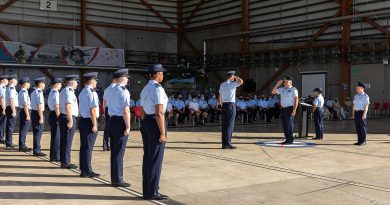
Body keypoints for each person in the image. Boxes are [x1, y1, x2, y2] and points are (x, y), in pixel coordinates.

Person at [140, 64, 169, 200]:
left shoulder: (145, 88)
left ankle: (147, 190)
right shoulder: (158, 89)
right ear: (157, 74)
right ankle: (153, 192)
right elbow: (159, 113)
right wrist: (162, 133)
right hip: (155, 123)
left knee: (148, 158)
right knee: (155, 159)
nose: (163, 75)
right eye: (162, 73)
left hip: (146, 121)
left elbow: (141, 109)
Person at [108, 69, 131, 187]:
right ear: (122, 78)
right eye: (127, 77)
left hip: (112, 120)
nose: (127, 80)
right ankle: (118, 179)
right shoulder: (123, 91)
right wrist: (128, 126)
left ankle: (114, 178)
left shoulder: (109, 90)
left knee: (114, 152)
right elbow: (126, 110)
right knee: (119, 152)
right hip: (120, 122)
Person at [78, 72, 100, 178]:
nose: (96, 82)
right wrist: (95, 124)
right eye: (95, 80)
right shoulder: (91, 92)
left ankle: (83, 169)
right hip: (89, 121)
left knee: (84, 147)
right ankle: (87, 170)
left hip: (83, 120)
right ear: (91, 80)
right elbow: (92, 110)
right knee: (88, 147)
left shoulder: (83, 91)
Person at [58, 75, 79, 169]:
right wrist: (70, 120)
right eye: (76, 81)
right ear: (72, 82)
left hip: (64, 116)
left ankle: (64, 161)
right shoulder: (68, 91)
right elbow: (68, 106)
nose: (77, 83)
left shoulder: (65, 91)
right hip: (68, 117)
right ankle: (66, 162)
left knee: (65, 140)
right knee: (67, 141)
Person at [218, 71, 243, 149]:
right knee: (229, 125)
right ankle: (227, 143)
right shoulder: (233, 84)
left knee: (224, 125)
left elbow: (220, 96)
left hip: (224, 105)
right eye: (234, 76)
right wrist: (237, 78)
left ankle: (224, 143)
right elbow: (241, 82)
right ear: (232, 76)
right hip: (230, 105)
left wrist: (221, 104)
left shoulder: (222, 84)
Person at [271, 76, 299, 145]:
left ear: (290, 82)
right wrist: (277, 85)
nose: (285, 83)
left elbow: (296, 100)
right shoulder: (282, 89)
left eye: (286, 82)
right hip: (283, 109)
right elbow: (273, 92)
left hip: (290, 109)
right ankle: (287, 139)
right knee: (284, 125)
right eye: (284, 82)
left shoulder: (293, 89)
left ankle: (290, 139)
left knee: (289, 125)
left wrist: (294, 110)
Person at [30, 77, 47, 156]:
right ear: (40, 83)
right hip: (38, 113)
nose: (44, 85)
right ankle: (37, 150)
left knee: (36, 132)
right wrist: (41, 117)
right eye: (43, 83)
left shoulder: (34, 92)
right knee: (38, 132)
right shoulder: (39, 93)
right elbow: (39, 106)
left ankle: (36, 149)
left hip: (34, 112)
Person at [48, 78, 62, 162]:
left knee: (54, 136)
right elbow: (57, 106)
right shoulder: (56, 93)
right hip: (56, 114)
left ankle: (53, 156)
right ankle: (56, 157)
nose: (61, 85)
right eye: (60, 84)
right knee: (57, 137)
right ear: (56, 84)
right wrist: (59, 117)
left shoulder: (51, 92)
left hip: (52, 114)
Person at [103, 77, 117, 151]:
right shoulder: (116, 89)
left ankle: (105, 145)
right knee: (114, 127)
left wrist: (104, 111)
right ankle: (112, 145)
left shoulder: (107, 89)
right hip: (114, 109)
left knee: (107, 127)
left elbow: (104, 102)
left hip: (107, 108)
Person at [18, 77, 32, 152]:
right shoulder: (24, 92)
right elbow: (25, 105)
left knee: (23, 129)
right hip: (25, 111)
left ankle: (22, 145)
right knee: (24, 129)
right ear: (25, 83)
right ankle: (22, 146)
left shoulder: (23, 91)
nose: (29, 84)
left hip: (24, 111)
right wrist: (27, 115)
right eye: (28, 83)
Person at [5, 74, 18, 148]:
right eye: (16, 80)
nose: (16, 81)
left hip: (9, 107)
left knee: (10, 125)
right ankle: (9, 142)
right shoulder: (11, 88)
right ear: (13, 80)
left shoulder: (9, 88)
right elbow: (12, 101)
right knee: (10, 126)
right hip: (11, 108)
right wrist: (14, 111)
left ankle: (9, 141)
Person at [0, 75, 8, 144]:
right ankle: (1, 138)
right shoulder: (2, 88)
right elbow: (2, 100)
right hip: (1, 107)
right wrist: (4, 109)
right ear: (4, 80)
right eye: (7, 80)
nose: (8, 81)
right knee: (2, 123)